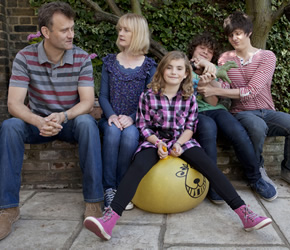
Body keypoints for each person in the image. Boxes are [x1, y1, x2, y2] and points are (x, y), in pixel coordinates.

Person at [84, 51, 272, 241]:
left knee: (210, 167)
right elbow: (143, 126)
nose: (174, 72)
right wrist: (157, 143)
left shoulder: (188, 98)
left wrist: (179, 145)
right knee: (137, 167)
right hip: (154, 142)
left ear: (185, 74)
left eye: (179, 69)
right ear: (162, 71)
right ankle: (109, 220)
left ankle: (245, 213)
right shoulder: (148, 96)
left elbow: (190, 127)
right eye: (170, 67)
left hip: (182, 141)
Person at [0, 1, 103, 241]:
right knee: (9, 126)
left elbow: (87, 102)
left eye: (72, 28)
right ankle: (8, 209)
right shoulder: (25, 57)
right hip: (38, 123)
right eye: (65, 30)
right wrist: (38, 121)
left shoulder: (81, 58)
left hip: (69, 121)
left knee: (88, 123)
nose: (71, 35)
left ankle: (94, 202)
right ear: (46, 32)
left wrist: (64, 115)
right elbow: (14, 104)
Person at [198, 11, 290, 192]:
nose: (234, 38)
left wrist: (215, 90)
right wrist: (209, 75)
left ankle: (289, 170)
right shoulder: (225, 59)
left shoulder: (267, 56)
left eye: (238, 33)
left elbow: (252, 91)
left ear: (249, 32)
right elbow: (221, 86)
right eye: (230, 35)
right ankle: (258, 169)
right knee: (256, 126)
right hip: (241, 113)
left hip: (267, 111)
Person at [188, 33, 277, 204]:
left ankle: (255, 178)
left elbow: (213, 102)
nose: (205, 53)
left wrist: (207, 83)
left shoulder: (215, 70)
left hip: (214, 110)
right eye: (202, 49)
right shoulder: (181, 66)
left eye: (210, 51)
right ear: (193, 49)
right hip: (192, 112)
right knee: (208, 128)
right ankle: (214, 185)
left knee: (236, 130)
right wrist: (196, 83)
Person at [98, 13, 156, 211]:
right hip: (111, 118)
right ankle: (109, 188)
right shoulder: (110, 62)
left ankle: (124, 187)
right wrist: (112, 115)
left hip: (136, 120)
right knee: (113, 132)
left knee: (130, 136)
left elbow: (150, 100)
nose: (120, 33)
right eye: (120, 29)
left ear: (138, 34)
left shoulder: (149, 66)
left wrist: (132, 118)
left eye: (126, 30)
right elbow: (103, 96)